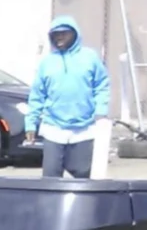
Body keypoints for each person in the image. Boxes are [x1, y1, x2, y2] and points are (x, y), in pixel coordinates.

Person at [22, 15, 111, 179]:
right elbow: (37, 95)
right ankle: (50, 205)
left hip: (84, 128)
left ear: (75, 34)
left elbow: (102, 85)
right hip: (53, 128)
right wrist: (31, 124)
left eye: (64, 33)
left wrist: (101, 111)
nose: (59, 37)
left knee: (83, 174)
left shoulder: (90, 57)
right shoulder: (47, 63)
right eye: (55, 34)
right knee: (51, 177)